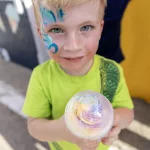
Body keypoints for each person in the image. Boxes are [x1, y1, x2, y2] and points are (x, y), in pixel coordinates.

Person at [22, 0, 134, 150]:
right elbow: (34, 126)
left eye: (86, 27)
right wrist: (62, 131)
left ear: (100, 29)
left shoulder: (111, 71)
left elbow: (128, 113)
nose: (73, 46)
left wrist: (114, 120)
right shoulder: (41, 77)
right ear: (41, 35)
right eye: (56, 30)